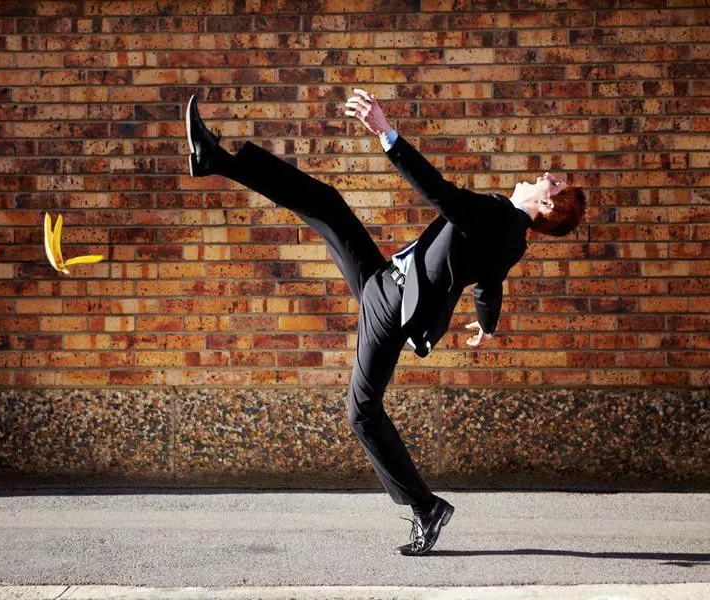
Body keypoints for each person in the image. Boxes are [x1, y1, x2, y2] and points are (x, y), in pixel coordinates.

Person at [185, 89, 586, 556]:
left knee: (363, 412)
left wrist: (386, 132)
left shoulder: (501, 216)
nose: (545, 177)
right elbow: (488, 283)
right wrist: (487, 324)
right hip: (387, 284)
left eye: (552, 184)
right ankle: (214, 157)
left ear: (551, 208)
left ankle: (424, 508)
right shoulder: (512, 237)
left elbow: (440, 194)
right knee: (327, 203)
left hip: (393, 303)